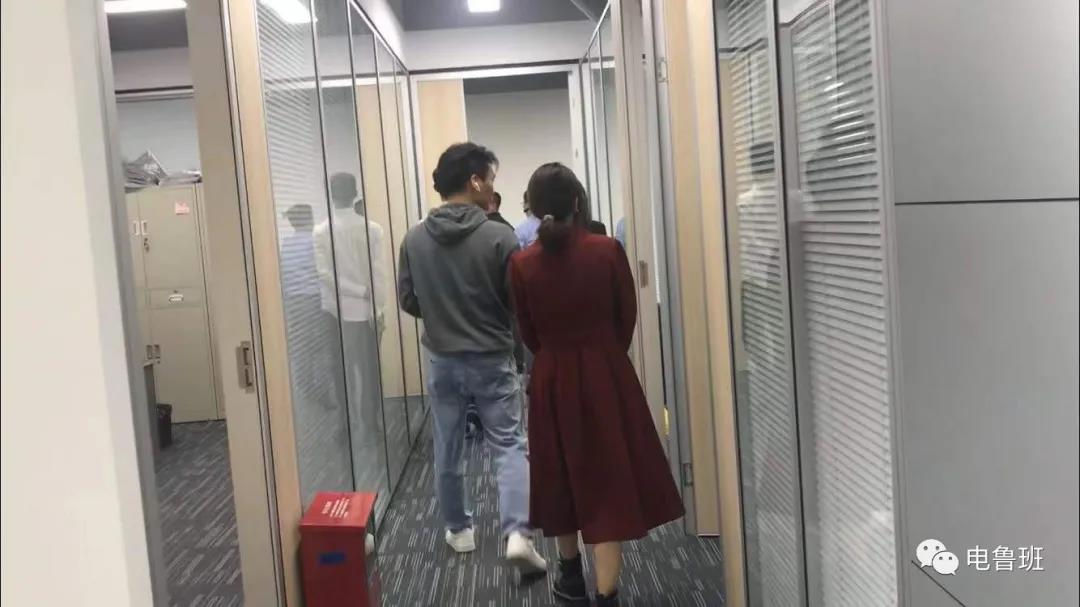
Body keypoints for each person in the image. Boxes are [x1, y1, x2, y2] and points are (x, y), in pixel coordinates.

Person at [509, 163, 684, 606]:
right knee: (607, 480)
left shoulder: (522, 263)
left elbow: (527, 332)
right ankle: (607, 594)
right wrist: (604, 353)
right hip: (605, 374)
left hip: (551, 377)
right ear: (576, 202)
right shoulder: (607, 250)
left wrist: (557, 355)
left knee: (560, 474)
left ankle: (570, 578)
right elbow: (626, 316)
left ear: (534, 207)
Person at [397, 142, 546, 575]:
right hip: (492, 357)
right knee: (509, 445)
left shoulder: (414, 238)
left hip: (442, 358)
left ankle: (459, 530)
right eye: (490, 180)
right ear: (475, 181)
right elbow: (517, 302)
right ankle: (517, 534)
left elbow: (408, 299)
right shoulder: (499, 236)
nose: (492, 188)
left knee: (448, 445)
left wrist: (441, 314)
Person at [314, 173, 385, 443]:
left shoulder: (321, 231)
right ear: (355, 193)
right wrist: (376, 306)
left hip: (335, 311)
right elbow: (379, 274)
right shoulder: (373, 229)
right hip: (367, 310)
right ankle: (370, 422)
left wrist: (356, 292)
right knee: (369, 370)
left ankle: (346, 423)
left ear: (330, 195)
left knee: (340, 370)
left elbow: (324, 274)